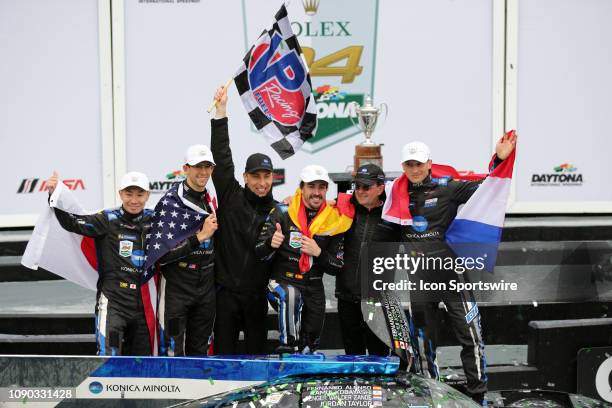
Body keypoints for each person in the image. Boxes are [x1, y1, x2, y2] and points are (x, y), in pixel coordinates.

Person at [376, 133, 517, 404]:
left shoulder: (448, 187)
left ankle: (478, 398)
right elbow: (380, 226)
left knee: (470, 336)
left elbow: (487, 187)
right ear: (403, 167)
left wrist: (499, 158)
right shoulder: (396, 193)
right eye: (409, 165)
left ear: (429, 163)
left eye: (419, 164)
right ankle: (431, 395)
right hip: (419, 278)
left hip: (452, 275)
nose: (415, 170)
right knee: (423, 345)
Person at [46, 171, 153, 356]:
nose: (134, 200)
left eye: (139, 194)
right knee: (108, 357)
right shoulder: (106, 219)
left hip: (143, 304)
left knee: (142, 364)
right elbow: (72, 223)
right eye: (129, 194)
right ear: (120, 194)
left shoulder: (156, 220)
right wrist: (53, 195)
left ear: (148, 196)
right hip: (113, 302)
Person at [210, 87, 278, 355]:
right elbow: (221, 155)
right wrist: (221, 112)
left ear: (273, 178)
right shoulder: (230, 196)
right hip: (225, 297)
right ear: (246, 177)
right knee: (223, 359)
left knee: (257, 362)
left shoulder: (279, 212)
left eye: (266, 177)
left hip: (256, 299)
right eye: (256, 177)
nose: (261, 183)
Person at [255, 165, 347, 354]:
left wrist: (318, 253)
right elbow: (258, 253)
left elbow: (337, 266)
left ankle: (301, 366)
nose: (316, 192)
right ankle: (288, 347)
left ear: (326, 190)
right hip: (282, 280)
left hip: (314, 286)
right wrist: (271, 244)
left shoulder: (334, 219)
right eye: (311, 186)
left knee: (309, 345)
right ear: (302, 188)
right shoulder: (282, 211)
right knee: (291, 297)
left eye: (321, 187)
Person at [155, 145, 218, 356]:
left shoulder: (212, 199)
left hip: (206, 284)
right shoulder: (170, 203)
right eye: (197, 166)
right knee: (172, 352)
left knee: (200, 351)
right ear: (185, 168)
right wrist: (199, 237)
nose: (203, 172)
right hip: (177, 284)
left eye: (207, 166)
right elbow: (161, 256)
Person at [335, 164, 390, 356]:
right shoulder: (344, 209)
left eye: (366, 187)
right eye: (357, 186)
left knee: (378, 357)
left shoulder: (391, 215)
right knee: (352, 358)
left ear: (380, 188)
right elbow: (314, 207)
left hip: (377, 301)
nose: (360, 191)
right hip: (346, 298)